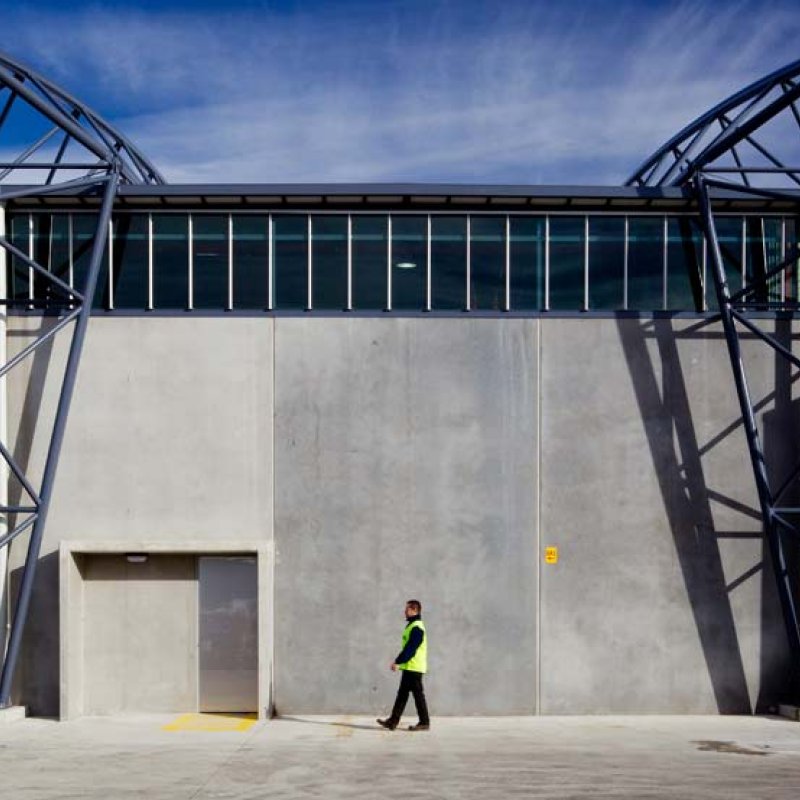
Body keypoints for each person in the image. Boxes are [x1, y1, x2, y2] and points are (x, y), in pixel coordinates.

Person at [377, 599, 430, 731]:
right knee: (402, 694)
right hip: (409, 667)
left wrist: (398, 661)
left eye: (407, 609)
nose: (404, 611)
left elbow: (411, 648)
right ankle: (393, 721)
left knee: (418, 695)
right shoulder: (412, 625)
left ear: (414, 611)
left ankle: (424, 722)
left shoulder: (417, 627)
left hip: (414, 667)